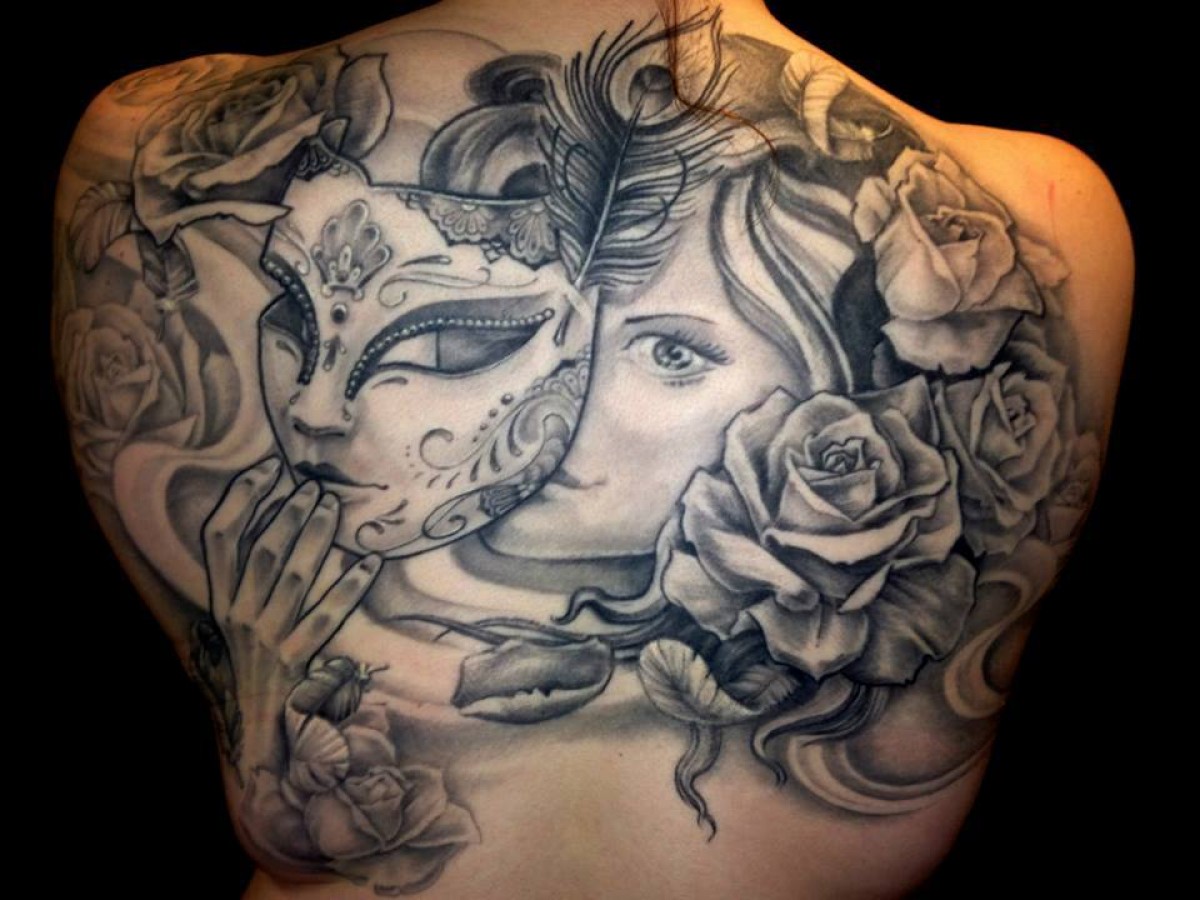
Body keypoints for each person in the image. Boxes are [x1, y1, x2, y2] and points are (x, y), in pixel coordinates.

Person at [51, 1, 1134, 896]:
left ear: (838, 387)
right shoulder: (149, 154)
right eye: (479, 340)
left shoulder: (1014, 232)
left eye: (668, 353)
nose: (564, 402)